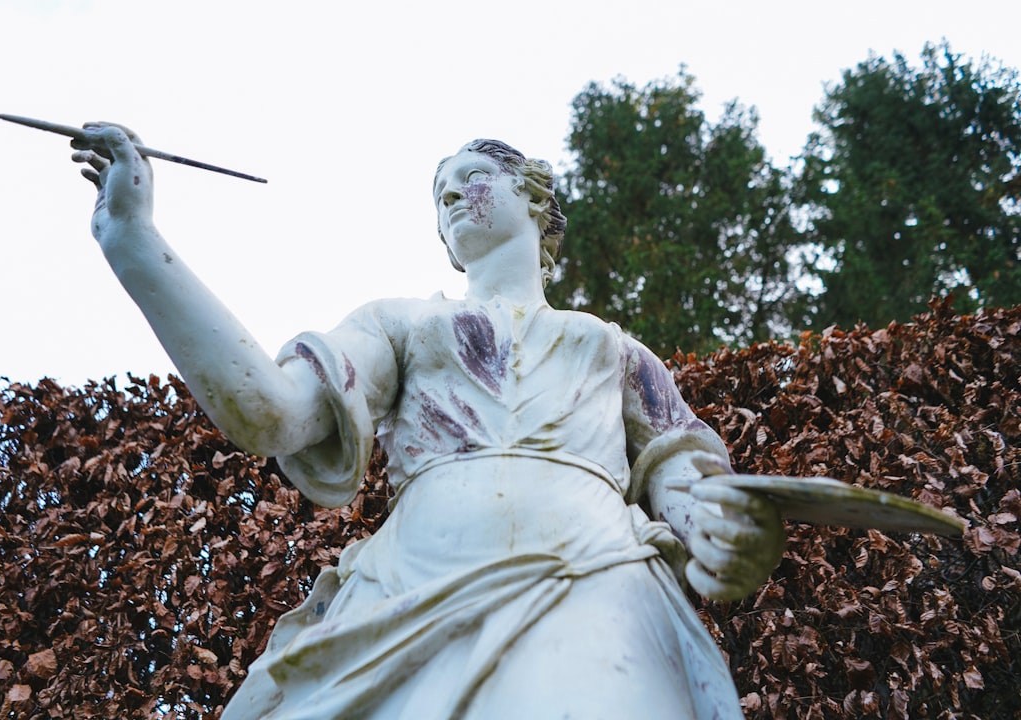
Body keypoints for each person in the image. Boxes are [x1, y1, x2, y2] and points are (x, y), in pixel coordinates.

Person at [72, 127, 785, 719]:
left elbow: (685, 473)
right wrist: (134, 242)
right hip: (404, 601)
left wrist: (717, 532)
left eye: (469, 177)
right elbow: (271, 415)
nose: (447, 195)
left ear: (532, 196)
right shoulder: (403, 325)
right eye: (438, 193)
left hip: (596, 587)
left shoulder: (613, 349)